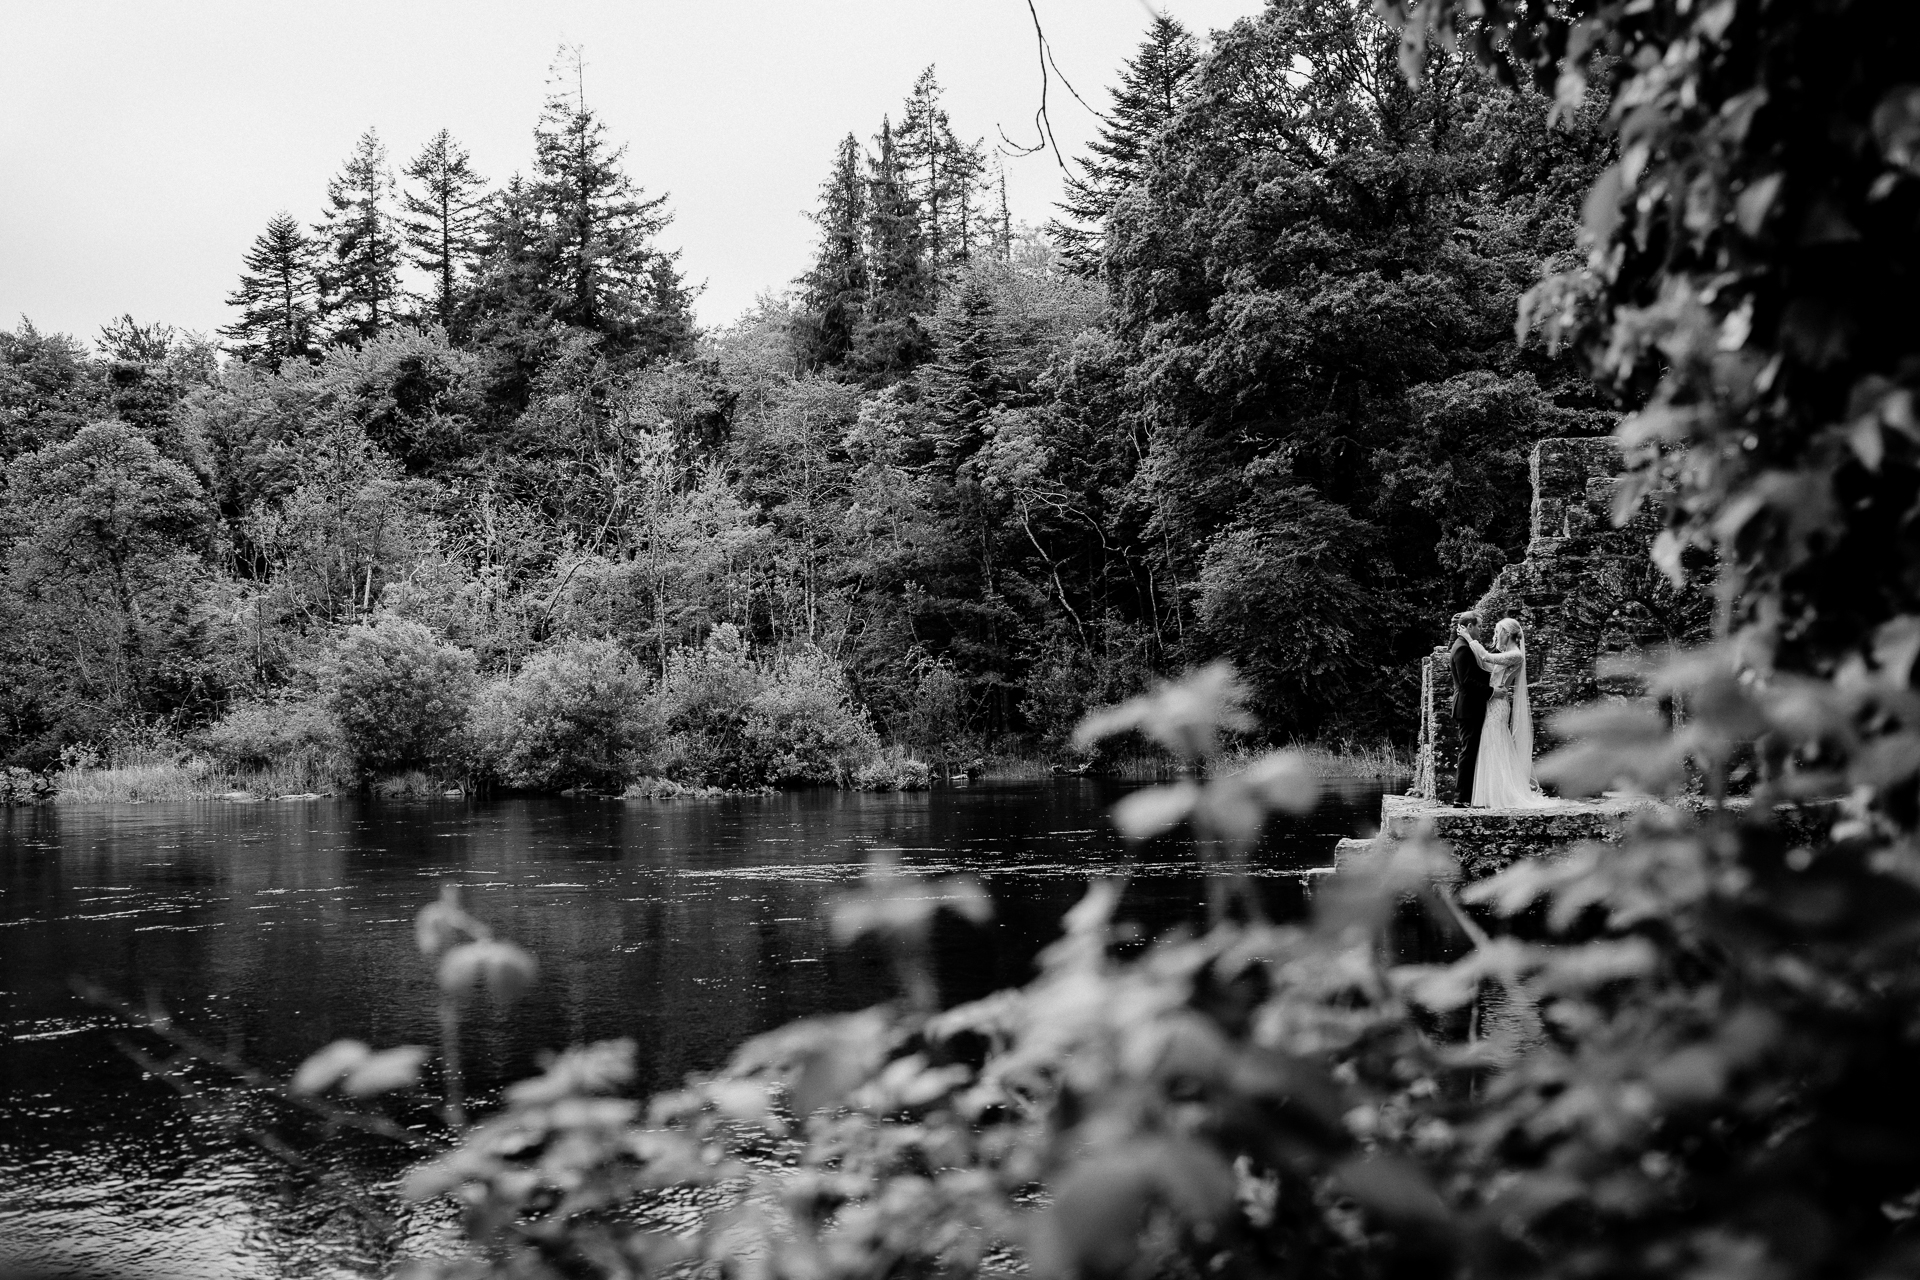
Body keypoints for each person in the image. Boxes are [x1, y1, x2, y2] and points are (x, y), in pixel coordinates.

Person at [1456, 616, 1550, 808]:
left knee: (1495, 743)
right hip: (1493, 701)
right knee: (1490, 744)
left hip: (1498, 705)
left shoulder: (1516, 655)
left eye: (1498, 632)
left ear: (1507, 633)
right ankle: (1490, 793)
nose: (1495, 636)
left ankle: (1501, 793)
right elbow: (1487, 666)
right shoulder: (1508, 654)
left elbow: (1486, 658)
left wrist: (1468, 637)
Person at [1448, 611, 1492, 806]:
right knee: (1468, 751)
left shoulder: (1464, 645)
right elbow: (1466, 681)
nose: (1481, 630)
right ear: (1469, 626)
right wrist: (1491, 692)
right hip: (1468, 707)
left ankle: (1468, 796)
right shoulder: (1462, 648)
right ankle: (1460, 798)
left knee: (1471, 750)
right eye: (1479, 626)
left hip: (1469, 706)